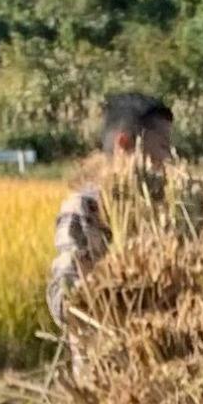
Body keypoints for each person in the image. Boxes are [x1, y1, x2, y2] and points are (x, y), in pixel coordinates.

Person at [47, 88, 179, 322]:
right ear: (124, 144)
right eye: (162, 147)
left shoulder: (162, 213)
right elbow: (62, 297)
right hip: (102, 351)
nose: (168, 160)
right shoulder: (84, 208)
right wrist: (108, 290)